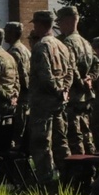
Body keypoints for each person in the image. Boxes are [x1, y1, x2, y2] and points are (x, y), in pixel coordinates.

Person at [28, 10, 74, 183]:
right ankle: (68, 177)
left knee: (41, 143)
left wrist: (56, 90)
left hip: (43, 103)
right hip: (59, 102)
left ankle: (46, 180)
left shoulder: (41, 46)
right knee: (61, 141)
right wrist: (64, 90)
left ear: (40, 25)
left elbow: (44, 75)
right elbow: (70, 71)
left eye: (35, 24)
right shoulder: (62, 45)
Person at [57, 6, 98, 155]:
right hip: (85, 97)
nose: (59, 25)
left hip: (74, 95)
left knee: (75, 136)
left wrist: (81, 83)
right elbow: (97, 63)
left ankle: (80, 170)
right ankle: (91, 165)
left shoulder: (68, 42)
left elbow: (70, 67)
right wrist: (90, 78)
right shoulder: (85, 42)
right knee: (87, 134)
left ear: (68, 20)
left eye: (60, 21)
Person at [5, 21, 32, 149]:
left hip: (20, 96)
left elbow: (18, 74)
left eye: (6, 31)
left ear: (12, 33)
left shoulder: (14, 52)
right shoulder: (25, 49)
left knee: (16, 134)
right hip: (27, 96)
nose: (5, 34)